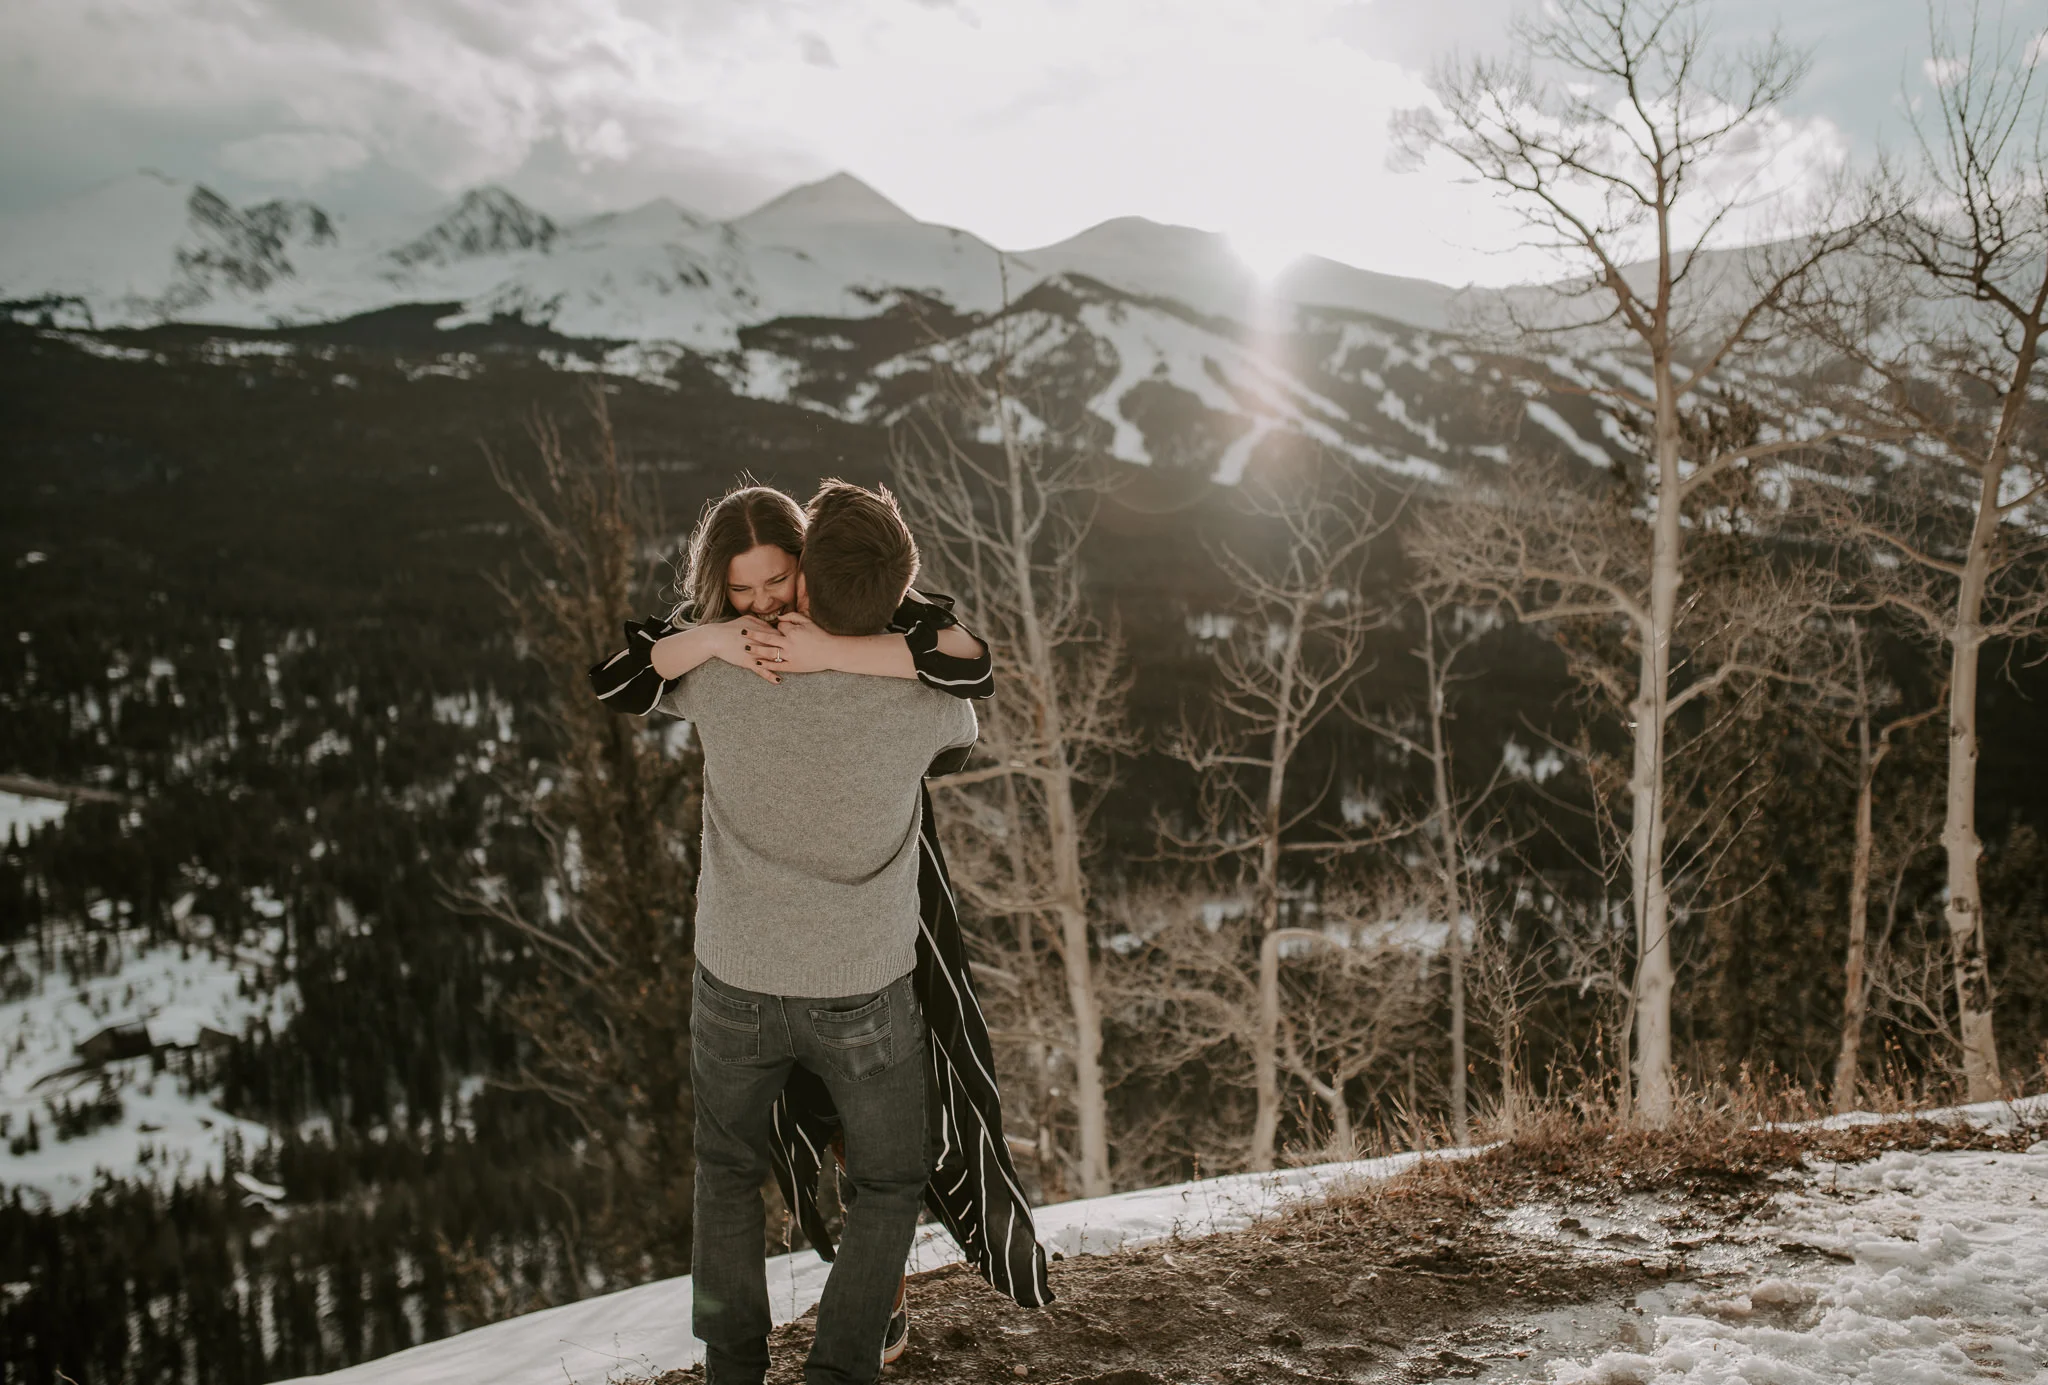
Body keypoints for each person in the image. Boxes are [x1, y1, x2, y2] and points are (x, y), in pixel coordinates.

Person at [589, 481, 1051, 1383]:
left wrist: (719, 640)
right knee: (888, 1178)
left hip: (735, 979)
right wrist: (854, 647)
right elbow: (967, 683)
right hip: (860, 988)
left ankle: (734, 1366)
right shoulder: (921, 696)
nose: (761, 605)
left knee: (725, 1170)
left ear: (805, 570)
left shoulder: (713, 677)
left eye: (777, 581)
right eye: (744, 593)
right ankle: (842, 1366)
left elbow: (618, 674)